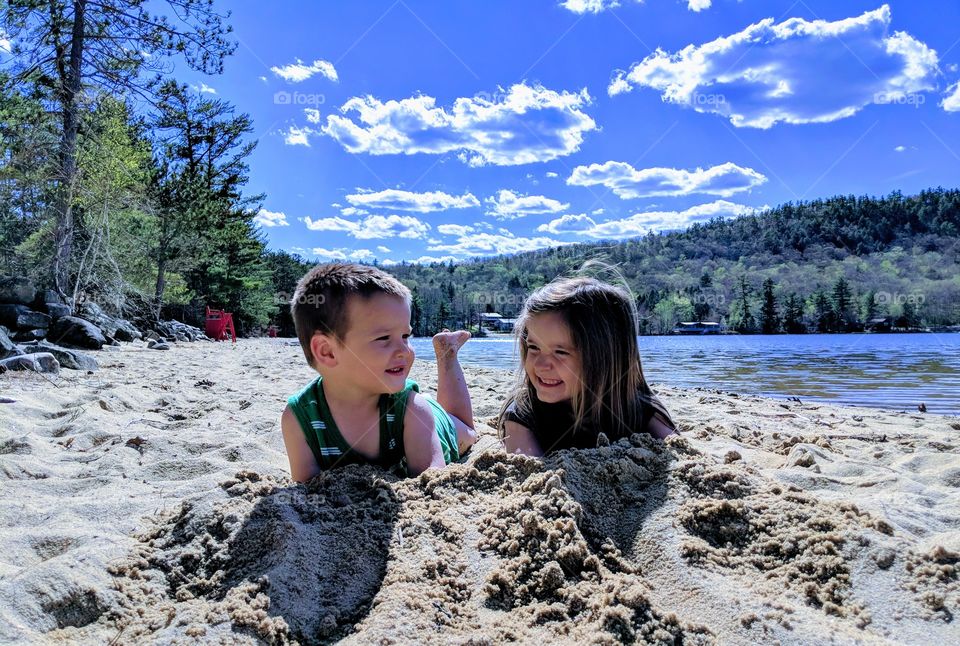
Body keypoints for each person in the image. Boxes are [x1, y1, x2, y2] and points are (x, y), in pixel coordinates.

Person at [280, 263, 477, 481]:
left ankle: (447, 354)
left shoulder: (414, 411)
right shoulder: (299, 419)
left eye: (405, 336)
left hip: (430, 422)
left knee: (468, 432)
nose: (405, 351)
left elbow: (430, 483)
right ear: (327, 352)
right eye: (384, 338)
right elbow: (307, 489)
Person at [498, 275, 676, 456]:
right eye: (534, 347)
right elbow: (525, 469)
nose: (541, 365)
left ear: (605, 358)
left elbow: (680, 457)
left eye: (560, 352)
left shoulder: (637, 409)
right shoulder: (523, 414)